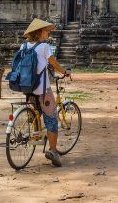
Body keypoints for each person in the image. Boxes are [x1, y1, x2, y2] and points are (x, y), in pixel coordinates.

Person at [22, 18, 71, 167]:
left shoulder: (23, 46)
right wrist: (64, 71)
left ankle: (35, 133)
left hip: (27, 87)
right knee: (51, 118)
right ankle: (53, 151)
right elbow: (54, 63)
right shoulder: (44, 47)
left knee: (36, 112)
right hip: (42, 88)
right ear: (40, 32)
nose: (48, 33)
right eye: (46, 31)